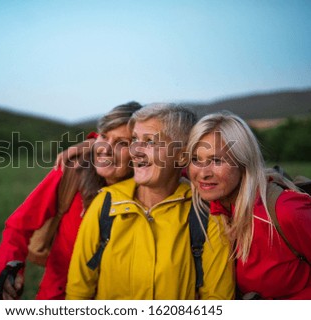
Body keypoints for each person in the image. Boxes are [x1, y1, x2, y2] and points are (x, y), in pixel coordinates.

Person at [66, 103, 235, 300]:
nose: (135, 150)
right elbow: (78, 293)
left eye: (150, 141)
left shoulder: (206, 214)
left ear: (181, 156)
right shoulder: (106, 202)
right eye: (135, 139)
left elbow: (218, 301)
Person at [0, 101, 143, 300]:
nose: (106, 149)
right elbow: (18, 226)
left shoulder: (152, 189)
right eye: (104, 136)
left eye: (122, 143)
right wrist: (10, 271)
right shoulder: (73, 171)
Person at [188, 111, 311, 299]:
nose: (203, 173)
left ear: (244, 163)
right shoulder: (210, 208)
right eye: (196, 159)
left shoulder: (286, 210)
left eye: (216, 160)